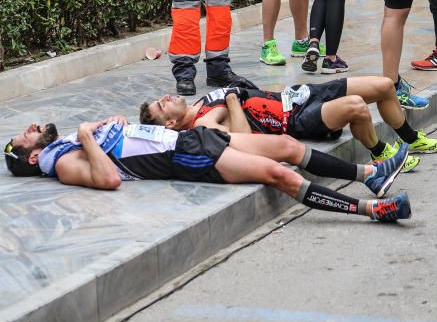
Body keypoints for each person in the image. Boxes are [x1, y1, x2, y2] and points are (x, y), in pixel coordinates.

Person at [4, 119, 411, 222]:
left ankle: (368, 175)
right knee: (280, 173)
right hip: (187, 158)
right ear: (33, 158)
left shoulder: (66, 146)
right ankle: (371, 210)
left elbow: (121, 147)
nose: (31, 130)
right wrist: (86, 135)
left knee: (287, 147)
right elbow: (109, 178)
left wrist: (109, 126)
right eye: (25, 137)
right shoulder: (62, 164)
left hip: (191, 139)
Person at [140, 75, 437, 169]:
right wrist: (233, 99)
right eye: (161, 105)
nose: (165, 97)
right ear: (169, 125)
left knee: (383, 86)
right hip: (297, 119)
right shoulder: (203, 127)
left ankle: (411, 137)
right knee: (356, 107)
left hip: (299, 95)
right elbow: (244, 141)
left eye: (161, 98)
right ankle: (381, 154)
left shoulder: (199, 105)